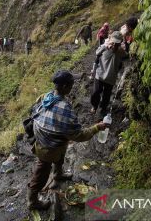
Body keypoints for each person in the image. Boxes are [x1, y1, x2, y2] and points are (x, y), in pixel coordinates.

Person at [27, 70, 107, 210]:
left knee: (61, 151)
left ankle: (58, 175)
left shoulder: (47, 96)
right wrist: (96, 128)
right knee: (41, 173)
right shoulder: (65, 109)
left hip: (43, 137)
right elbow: (78, 135)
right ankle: (32, 201)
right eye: (70, 84)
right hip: (47, 147)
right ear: (64, 87)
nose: (72, 86)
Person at [90, 31, 127, 116]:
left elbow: (126, 56)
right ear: (110, 40)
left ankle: (103, 109)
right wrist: (105, 47)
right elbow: (97, 53)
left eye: (117, 43)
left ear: (120, 43)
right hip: (99, 75)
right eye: (113, 43)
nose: (115, 45)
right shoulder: (104, 47)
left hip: (111, 77)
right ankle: (94, 106)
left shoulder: (121, 51)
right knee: (96, 92)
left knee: (107, 95)